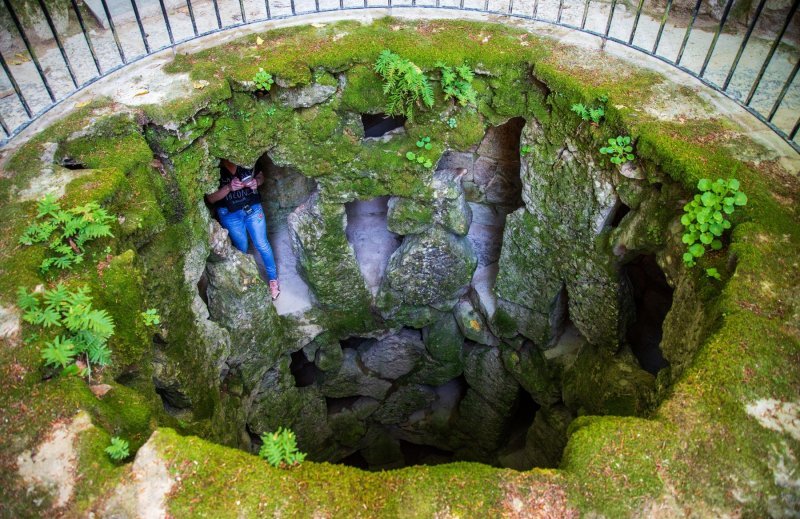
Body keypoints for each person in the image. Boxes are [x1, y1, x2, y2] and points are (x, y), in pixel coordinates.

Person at [206, 159, 280, 300]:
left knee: (262, 244)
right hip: (230, 215)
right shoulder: (214, 166)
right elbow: (211, 198)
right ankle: (248, 280)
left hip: (252, 209)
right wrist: (229, 187)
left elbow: (261, 176)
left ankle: (273, 280)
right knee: (241, 247)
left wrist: (256, 182)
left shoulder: (245, 157)